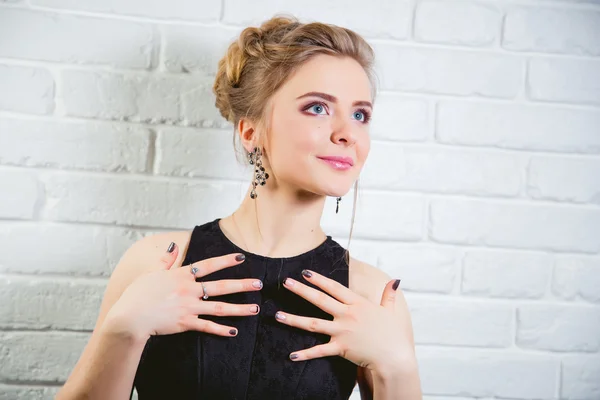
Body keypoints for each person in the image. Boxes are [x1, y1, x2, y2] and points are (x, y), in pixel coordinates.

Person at [57, 15, 422, 400]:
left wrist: (397, 367)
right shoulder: (157, 263)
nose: (348, 133)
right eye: (317, 108)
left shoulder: (374, 295)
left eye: (360, 114)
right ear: (251, 132)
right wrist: (123, 331)